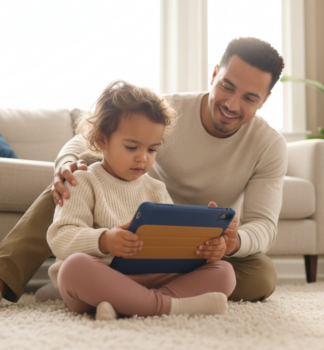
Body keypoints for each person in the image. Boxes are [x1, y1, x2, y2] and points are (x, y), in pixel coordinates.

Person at [0, 37, 287, 304]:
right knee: (66, 187)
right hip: (128, 231)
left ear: (265, 100)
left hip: (194, 248)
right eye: (227, 86)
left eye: (250, 98)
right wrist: (65, 164)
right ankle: (4, 277)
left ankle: (126, 295)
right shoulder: (167, 109)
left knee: (261, 273)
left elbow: (264, 225)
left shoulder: (269, 145)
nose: (231, 104)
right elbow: (86, 137)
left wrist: (232, 243)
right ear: (214, 75)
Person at [47, 80, 236, 319]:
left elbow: (172, 244)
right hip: (104, 276)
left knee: (225, 271)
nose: (142, 159)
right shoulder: (83, 181)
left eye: (152, 150)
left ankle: (127, 304)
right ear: (102, 139)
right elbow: (60, 237)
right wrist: (104, 240)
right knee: (73, 269)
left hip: (151, 279)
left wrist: (208, 248)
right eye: (131, 147)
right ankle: (168, 306)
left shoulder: (156, 188)